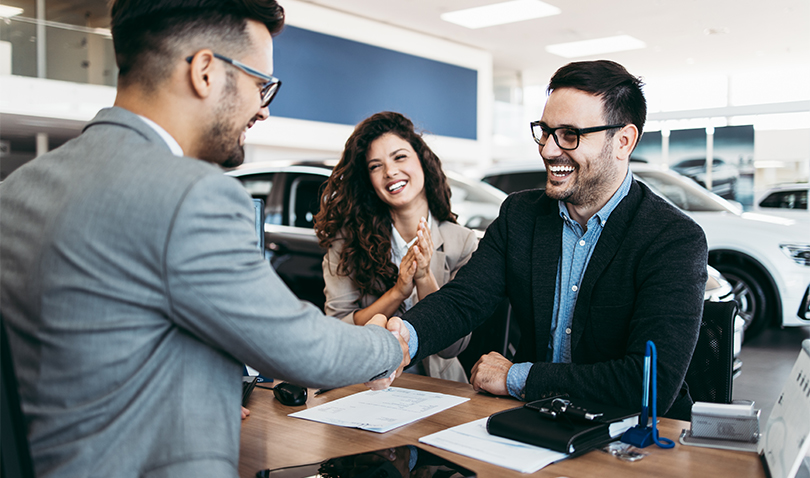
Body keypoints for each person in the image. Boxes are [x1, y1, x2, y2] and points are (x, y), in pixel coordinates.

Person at [0, 1, 408, 476]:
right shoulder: (191, 193)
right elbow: (303, 350)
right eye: (262, 86)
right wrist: (389, 347)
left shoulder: (17, 189)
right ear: (206, 72)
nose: (263, 111)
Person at [390, 60, 708, 420]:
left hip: (636, 436)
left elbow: (649, 384)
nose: (548, 150)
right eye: (545, 131)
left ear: (623, 141)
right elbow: (465, 300)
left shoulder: (673, 239)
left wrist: (517, 377)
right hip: (538, 421)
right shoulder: (520, 215)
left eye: (570, 134)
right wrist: (402, 339)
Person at [315, 112, 477, 383]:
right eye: (375, 166)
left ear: (422, 161)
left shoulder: (462, 243)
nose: (390, 171)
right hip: (365, 385)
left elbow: (452, 347)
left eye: (399, 157)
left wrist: (424, 277)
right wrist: (397, 293)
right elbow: (338, 330)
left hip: (440, 388)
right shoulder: (346, 242)